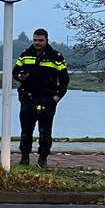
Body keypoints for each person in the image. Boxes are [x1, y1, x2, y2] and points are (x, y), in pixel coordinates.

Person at [13, 28, 70, 167]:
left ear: (46, 40)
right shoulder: (25, 54)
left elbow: (64, 80)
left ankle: (43, 158)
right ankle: (24, 157)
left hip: (47, 98)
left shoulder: (56, 56)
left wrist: (57, 97)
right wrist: (19, 76)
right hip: (28, 97)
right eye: (35, 40)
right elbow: (15, 72)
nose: (37, 43)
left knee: (45, 130)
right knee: (26, 130)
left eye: (40, 40)